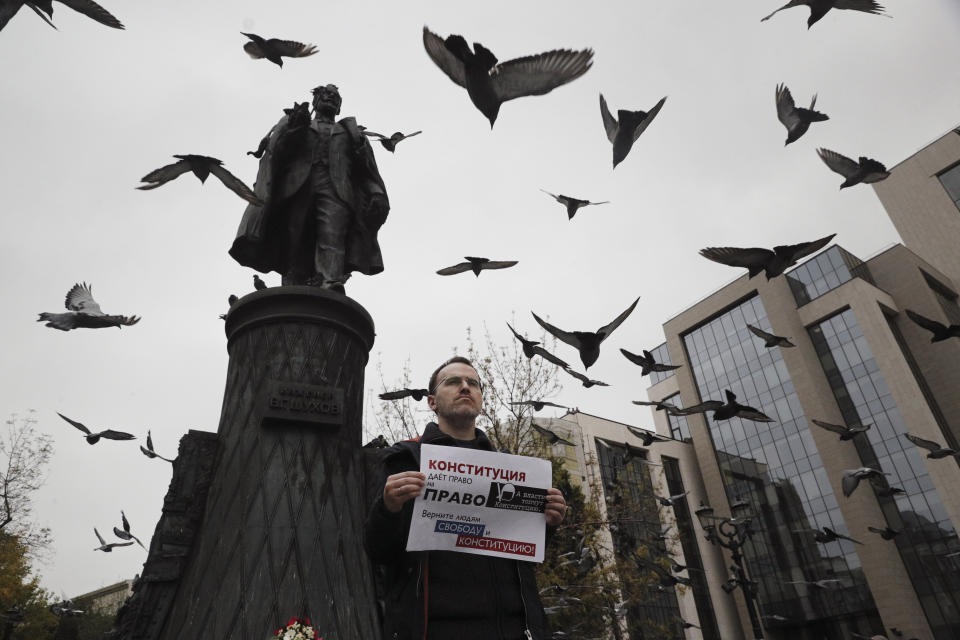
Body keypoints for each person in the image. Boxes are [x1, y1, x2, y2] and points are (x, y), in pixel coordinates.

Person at [364, 356, 567, 640]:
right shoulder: (404, 460)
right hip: (433, 628)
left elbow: (526, 555)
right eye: (453, 382)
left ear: (481, 399)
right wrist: (388, 508)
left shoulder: (512, 469)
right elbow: (379, 551)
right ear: (432, 402)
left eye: (473, 383)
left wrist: (548, 521)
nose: (465, 387)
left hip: (513, 629)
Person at [229, 84, 389, 290]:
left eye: (335, 97)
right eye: (326, 94)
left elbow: (366, 171)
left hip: (337, 191)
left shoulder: (350, 134)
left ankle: (329, 281)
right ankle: (293, 283)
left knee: (332, 235)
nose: (330, 97)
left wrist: (376, 193)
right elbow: (277, 152)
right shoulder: (298, 122)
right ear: (314, 102)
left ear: (339, 108)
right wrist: (295, 128)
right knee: (295, 236)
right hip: (298, 188)